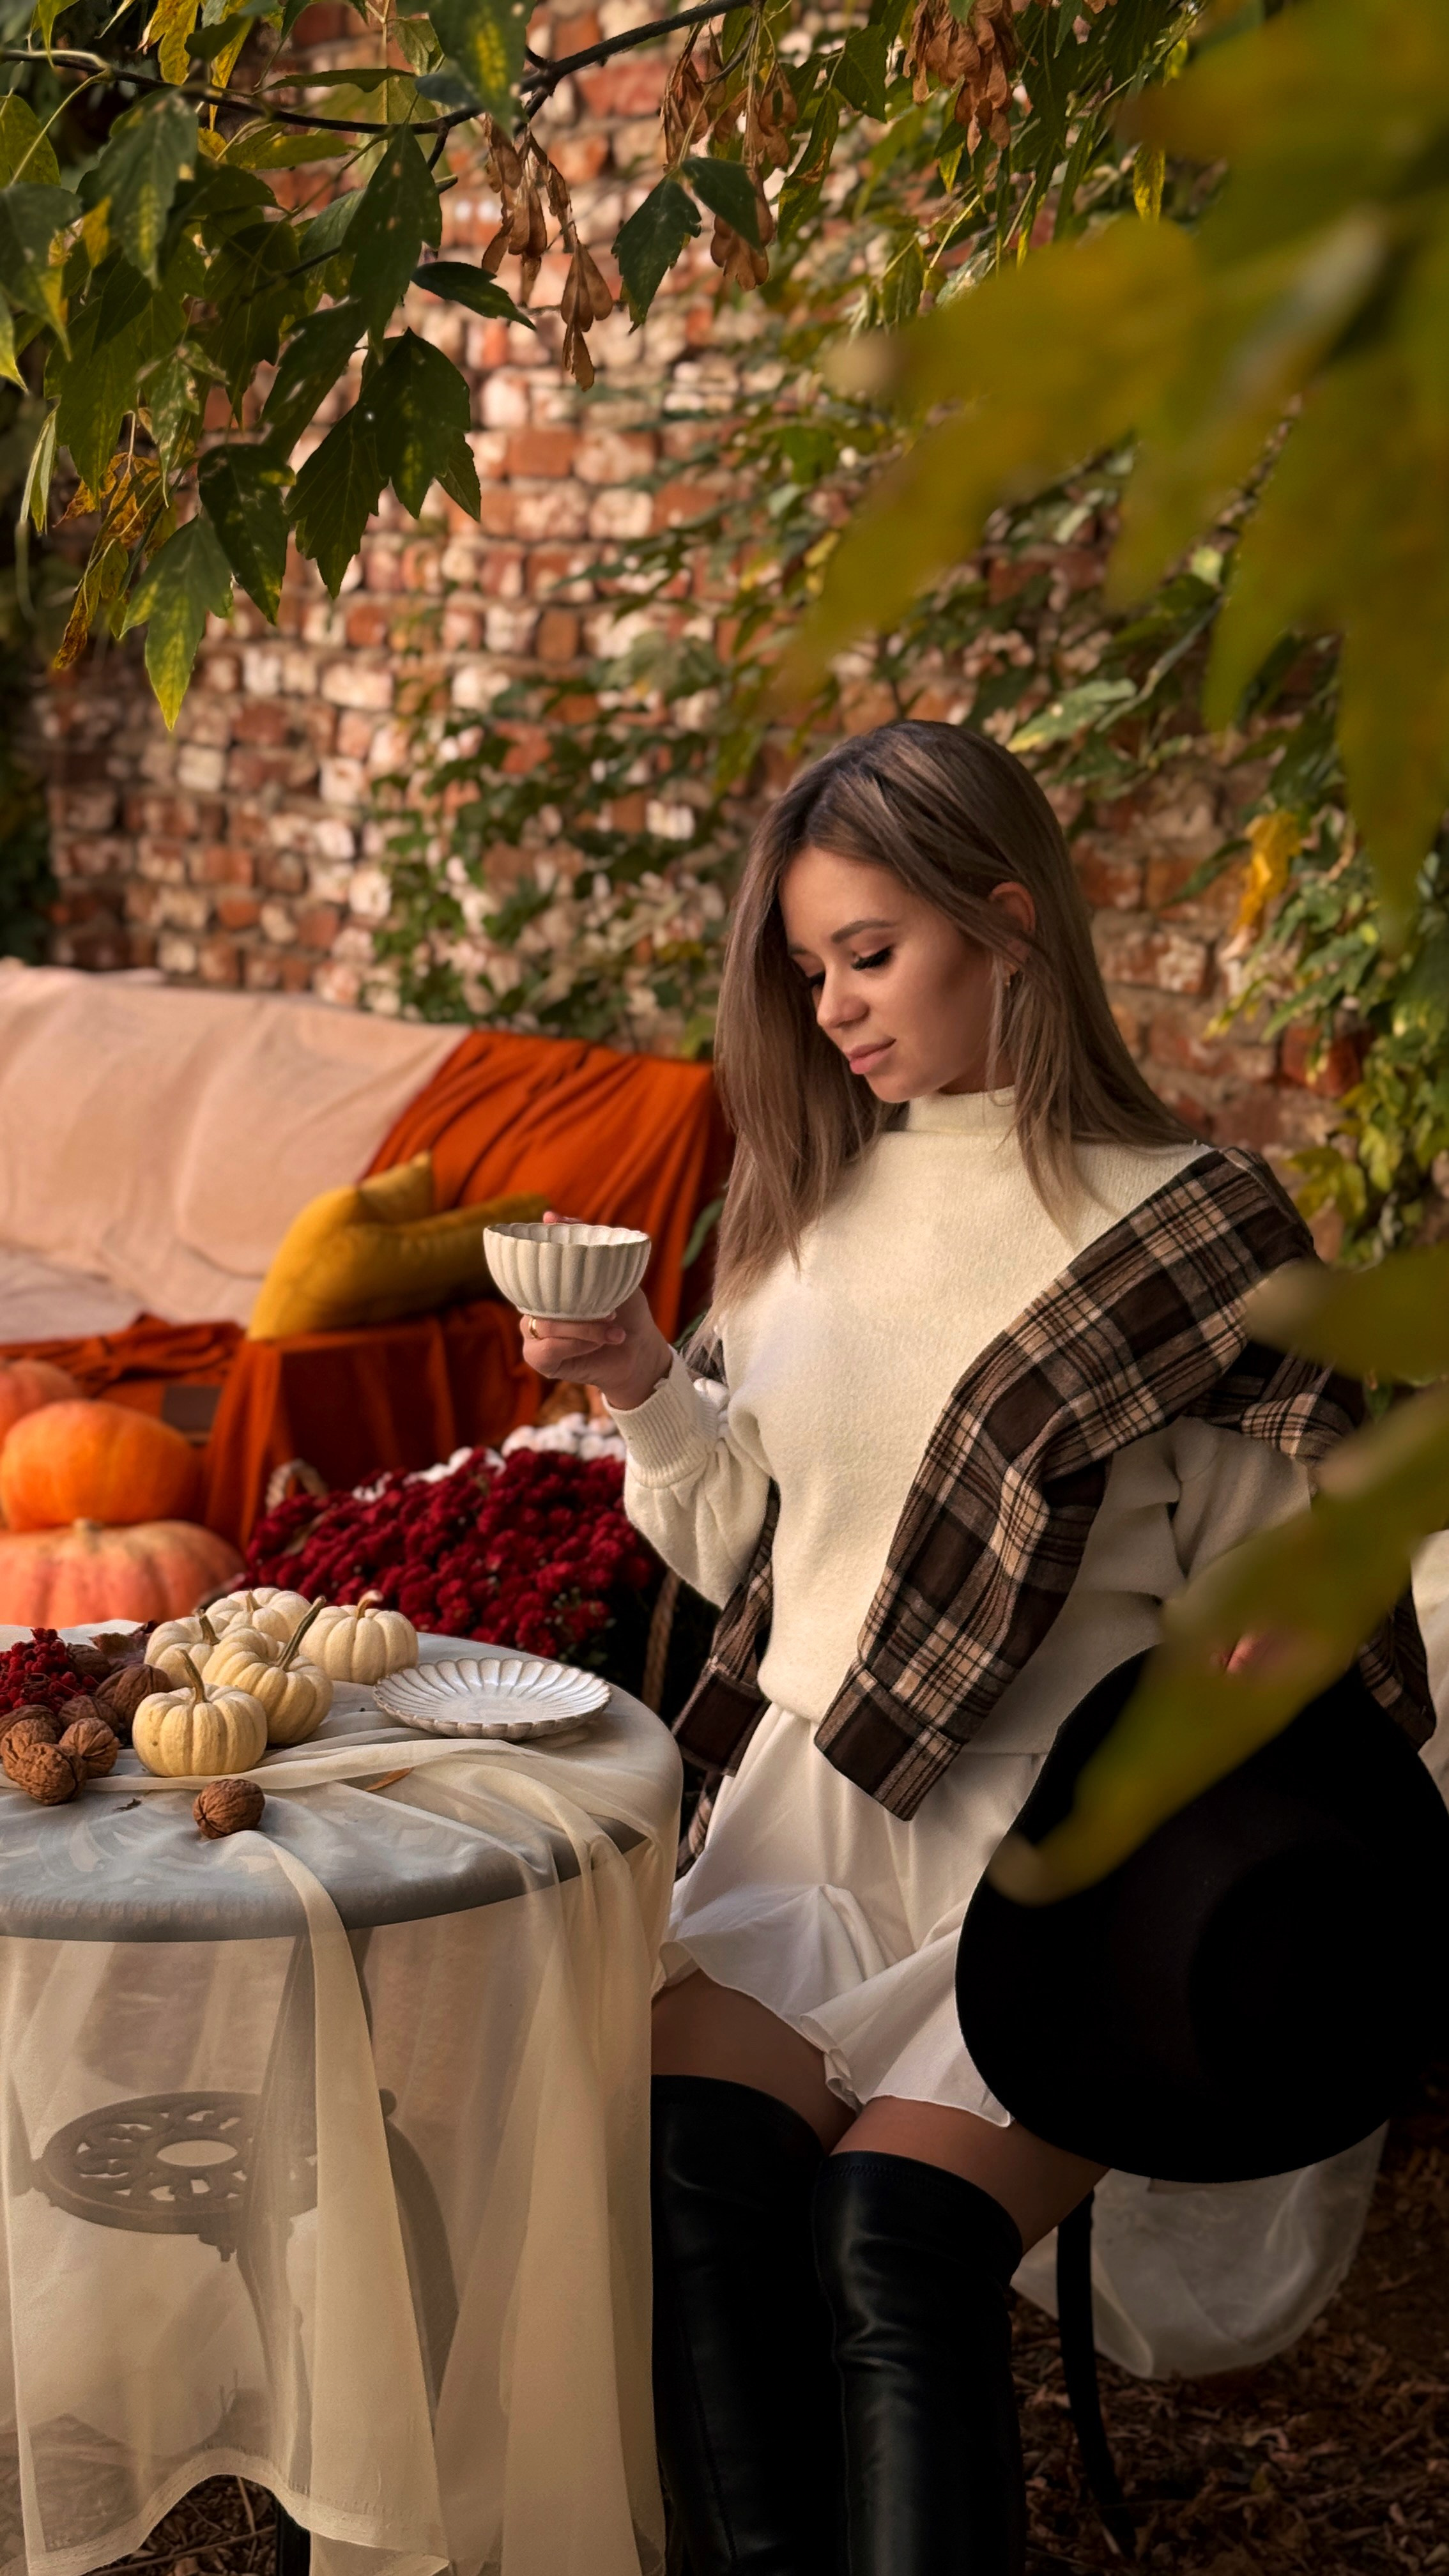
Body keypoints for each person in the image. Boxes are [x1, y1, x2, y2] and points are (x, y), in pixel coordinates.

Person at [518, 722, 1417, 2576]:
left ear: (1006, 926)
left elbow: (1309, 1556)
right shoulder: (804, 1206)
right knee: (685, 2174)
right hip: (804, 1820)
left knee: (886, 2242)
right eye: (807, 969)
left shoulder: (1191, 1222)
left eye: (869, 953)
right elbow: (733, 1544)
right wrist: (644, 1396)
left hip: (1071, 1866)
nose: (833, 1008)